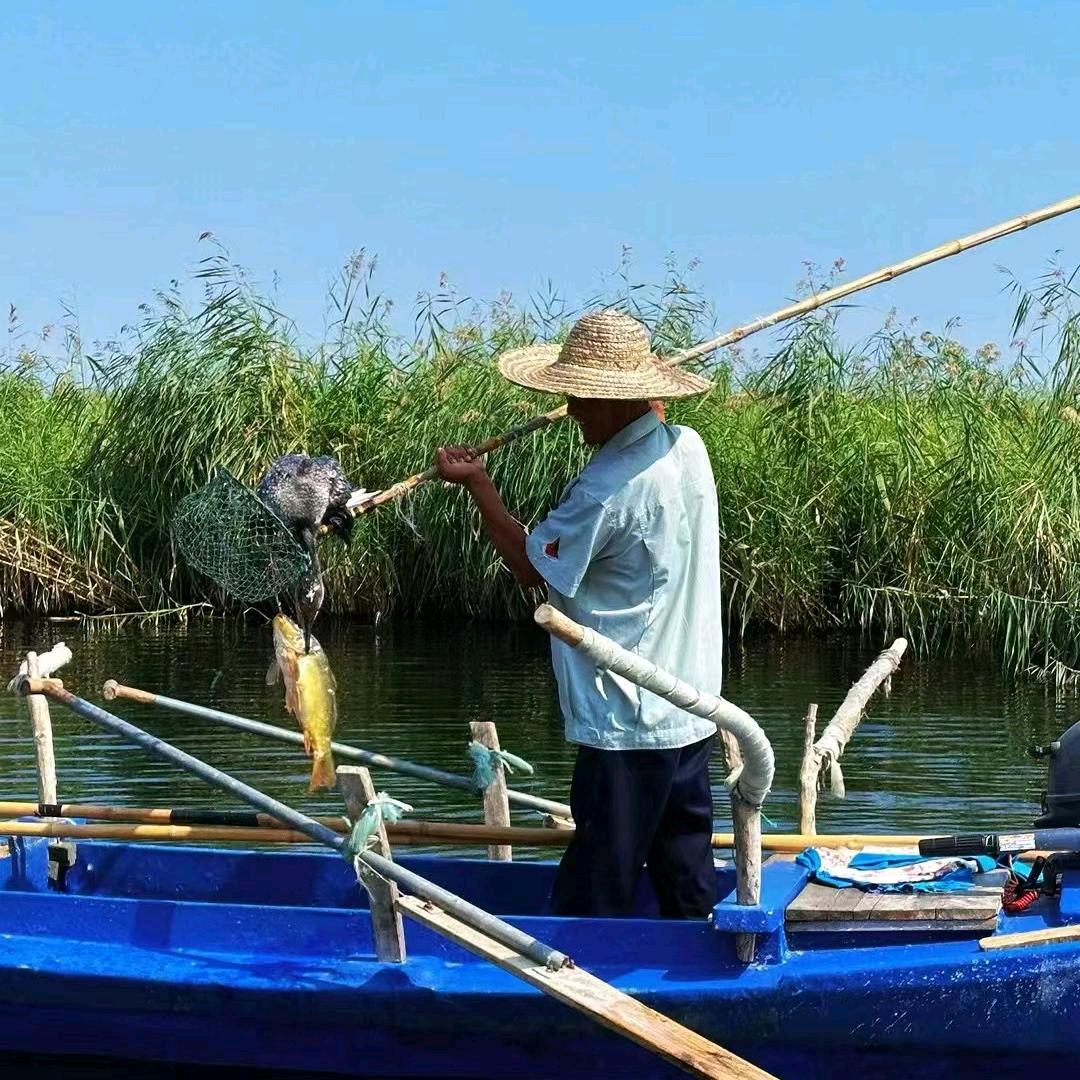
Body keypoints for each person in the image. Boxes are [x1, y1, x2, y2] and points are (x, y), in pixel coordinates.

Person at [435, 309, 722, 919]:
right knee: (685, 868)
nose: (571, 408)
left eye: (585, 397)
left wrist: (478, 486)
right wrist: (641, 394)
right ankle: (702, 965)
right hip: (693, 706)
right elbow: (657, 420)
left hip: (628, 715)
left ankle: (576, 989)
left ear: (621, 402)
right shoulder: (686, 448)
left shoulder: (606, 488)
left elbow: (534, 568)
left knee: (600, 877)